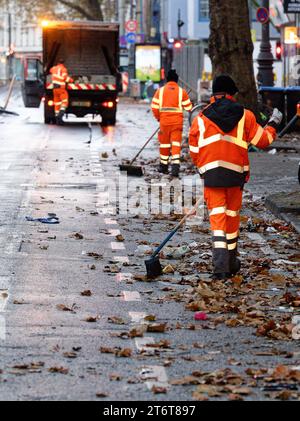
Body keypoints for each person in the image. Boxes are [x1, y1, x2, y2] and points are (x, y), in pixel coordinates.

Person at [189, 74, 283, 280]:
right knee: (232, 218)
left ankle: (221, 267)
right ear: (232, 93)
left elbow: (194, 149)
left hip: (212, 176)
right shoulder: (245, 116)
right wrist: (274, 123)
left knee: (218, 219)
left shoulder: (201, 119)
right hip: (235, 176)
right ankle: (231, 262)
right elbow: (263, 140)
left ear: (214, 93)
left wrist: (202, 168)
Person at [151, 69, 193, 177]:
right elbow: (189, 108)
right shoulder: (181, 92)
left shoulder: (160, 91)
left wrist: (159, 118)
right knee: (175, 144)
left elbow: (154, 107)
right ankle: (175, 167)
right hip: (177, 123)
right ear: (177, 80)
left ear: (167, 79)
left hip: (164, 122)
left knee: (164, 144)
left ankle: (163, 166)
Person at [50, 59, 74, 125]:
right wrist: (72, 80)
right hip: (61, 89)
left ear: (57, 63)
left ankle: (57, 117)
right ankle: (60, 115)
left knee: (57, 103)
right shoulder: (64, 69)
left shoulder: (53, 68)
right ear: (63, 63)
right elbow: (65, 78)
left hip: (55, 89)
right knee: (64, 102)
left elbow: (50, 70)